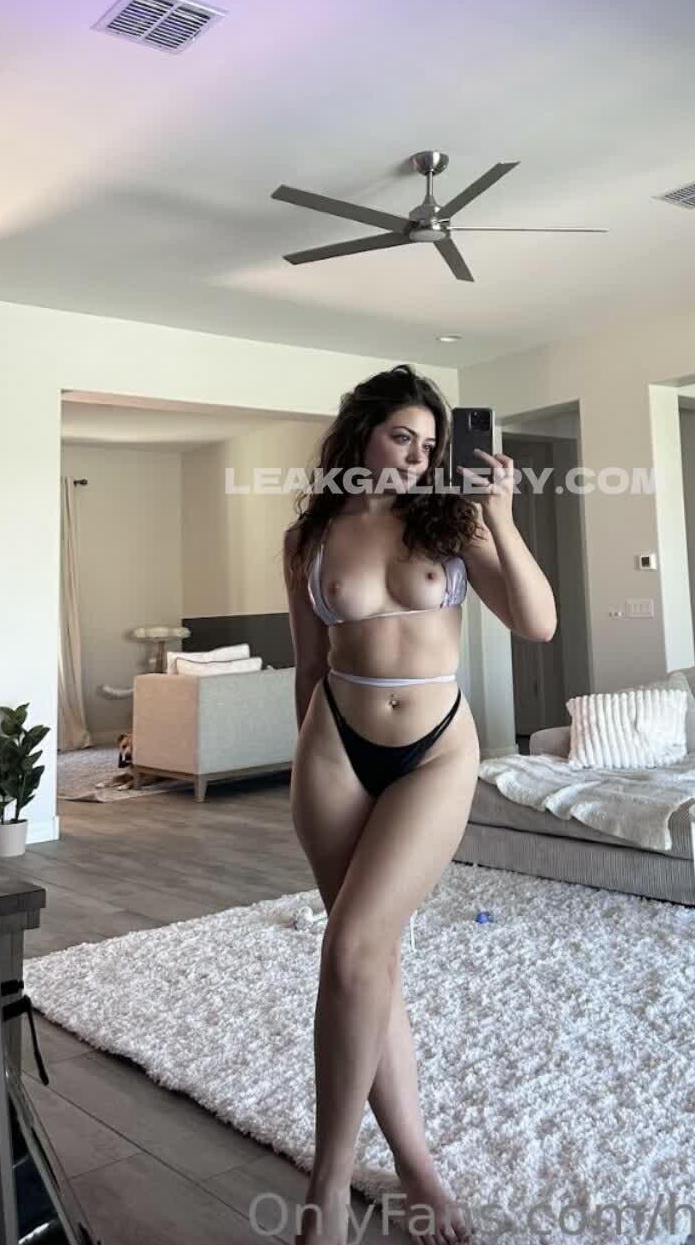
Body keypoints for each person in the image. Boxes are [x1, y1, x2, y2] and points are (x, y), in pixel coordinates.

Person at [283, 364, 557, 1245]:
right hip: (334, 750)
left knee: (353, 945)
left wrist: (501, 516)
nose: (416, 455)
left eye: (429, 443)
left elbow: (538, 621)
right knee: (369, 961)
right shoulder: (310, 536)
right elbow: (309, 662)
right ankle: (414, 1166)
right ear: (362, 433)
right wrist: (305, 755)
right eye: (402, 435)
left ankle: (326, 1187)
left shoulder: (454, 521)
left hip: (434, 750)